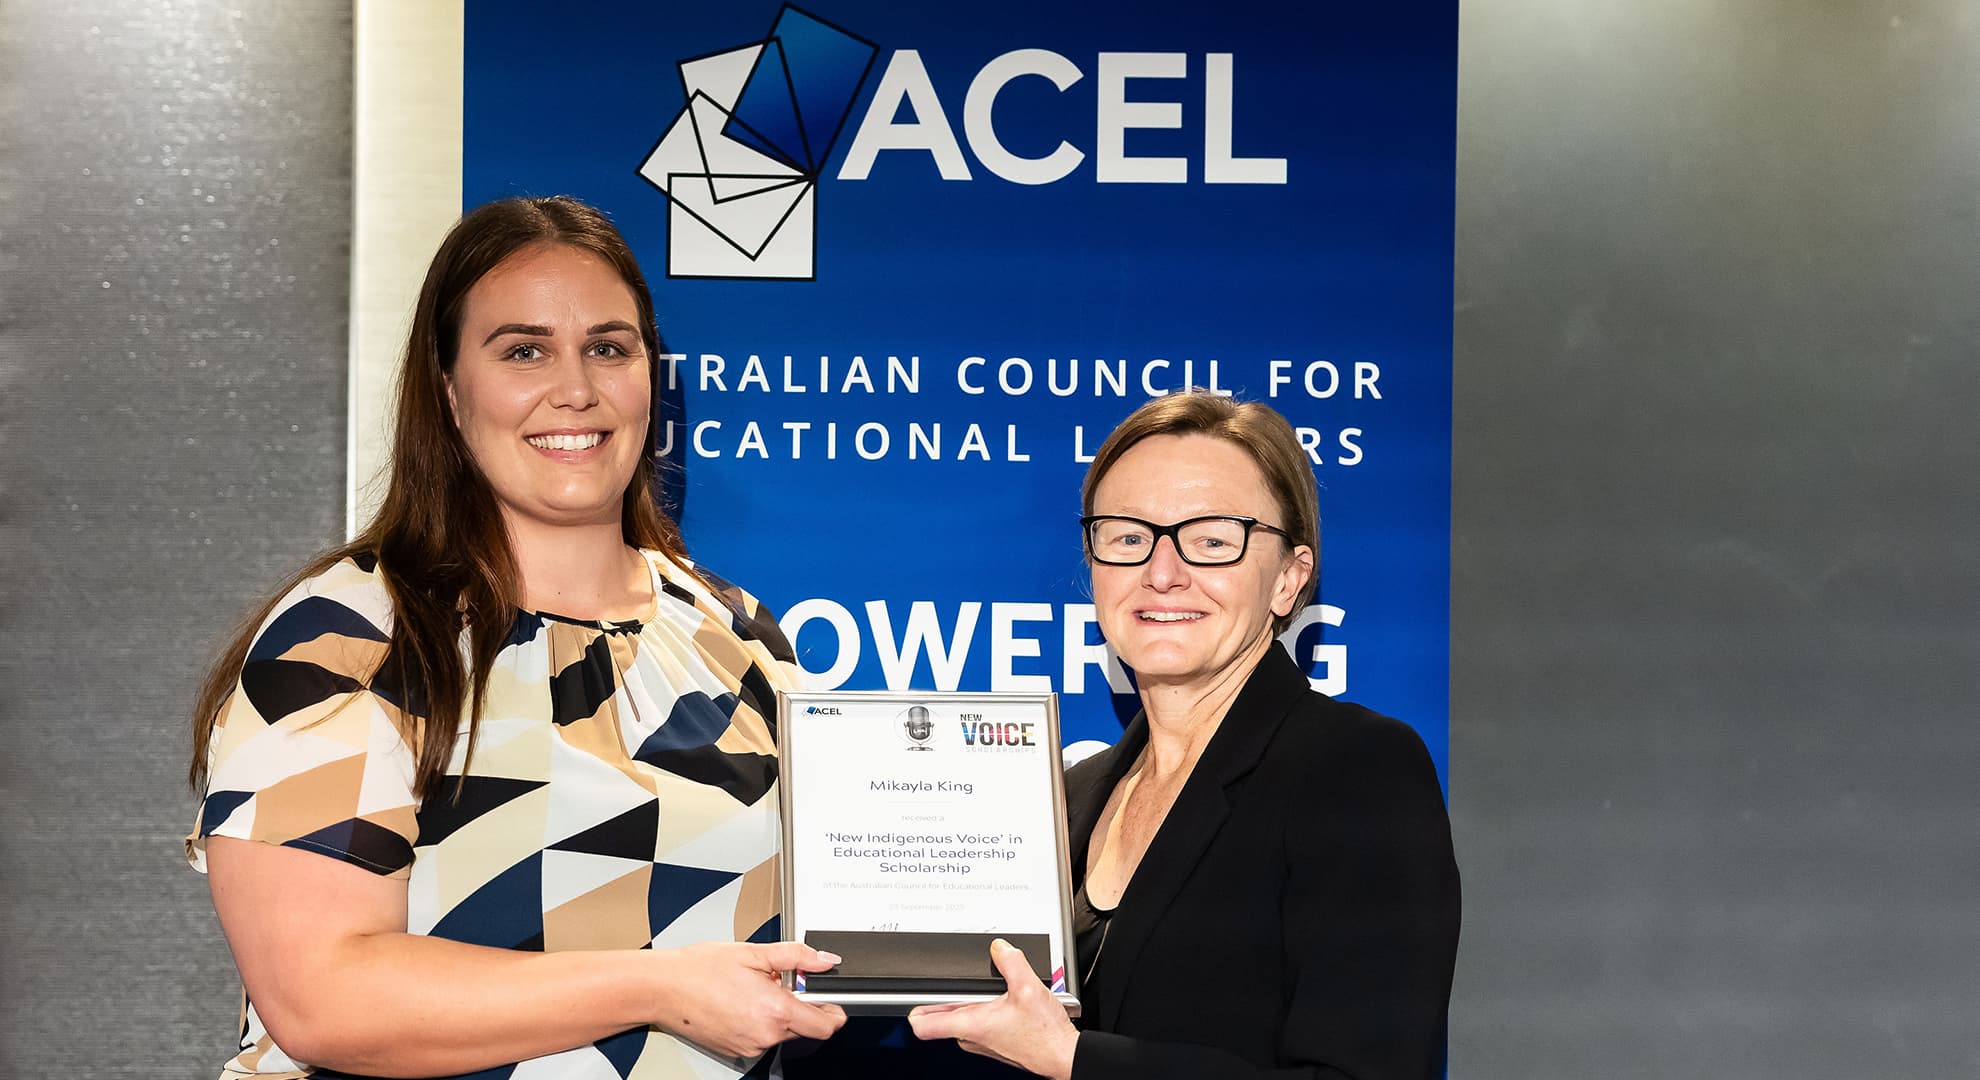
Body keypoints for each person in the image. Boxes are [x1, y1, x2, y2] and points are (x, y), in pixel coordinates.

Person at [185, 196, 847, 1079]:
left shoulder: (742, 639)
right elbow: (320, 994)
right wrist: (656, 987)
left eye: (608, 348)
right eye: (524, 351)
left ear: (655, 377)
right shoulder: (354, 635)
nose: (575, 389)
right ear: (451, 391)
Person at [908, 391, 1460, 1079]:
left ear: (1289, 579)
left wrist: (1077, 1059)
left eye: (1212, 540)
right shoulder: (1069, 798)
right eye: (1128, 537)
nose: (1162, 573)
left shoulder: (1357, 771)